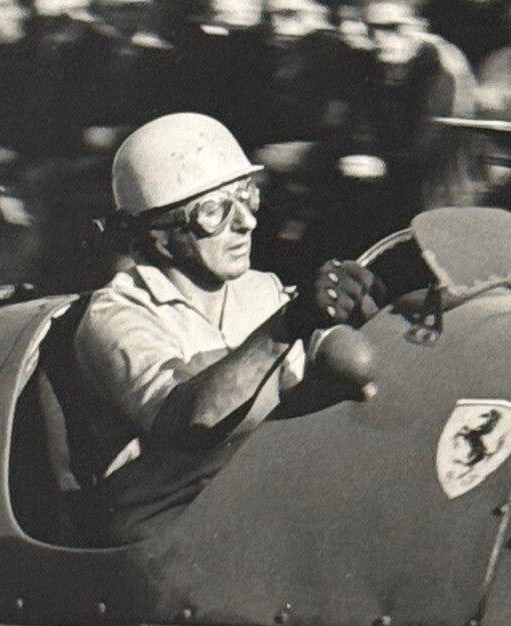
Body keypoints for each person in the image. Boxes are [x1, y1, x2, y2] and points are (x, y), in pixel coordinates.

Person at [73, 112, 379, 541]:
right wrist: (288, 325)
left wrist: (367, 319)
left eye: (247, 196)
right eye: (214, 210)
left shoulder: (261, 291)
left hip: (256, 510)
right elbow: (186, 422)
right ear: (157, 234)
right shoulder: (118, 315)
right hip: (163, 534)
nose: (247, 222)